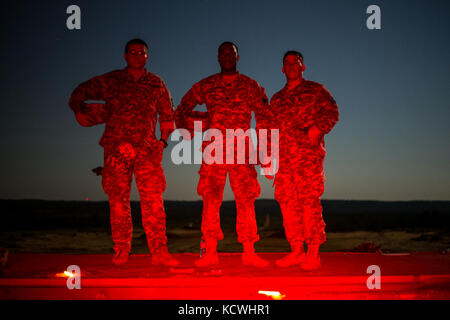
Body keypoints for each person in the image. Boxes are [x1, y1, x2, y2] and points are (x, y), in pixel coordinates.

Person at [68, 39, 179, 267]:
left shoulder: (157, 83)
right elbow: (79, 92)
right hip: (116, 149)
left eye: (142, 52)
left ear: (148, 56)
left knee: (154, 202)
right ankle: (121, 250)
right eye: (133, 52)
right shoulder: (112, 80)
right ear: (125, 55)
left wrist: (163, 142)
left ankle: (159, 251)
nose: (138, 55)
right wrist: (82, 110)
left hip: (147, 150)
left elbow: (168, 116)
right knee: (118, 203)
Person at [175, 42, 270, 268]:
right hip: (214, 149)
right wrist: (198, 124)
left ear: (238, 57)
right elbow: (182, 109)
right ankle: (210, 253)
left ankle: (249, 252)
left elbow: (265, 117)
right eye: (224, 53)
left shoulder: (251, 85)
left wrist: (266, 151)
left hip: (242, 151)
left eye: (232, 53)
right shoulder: (206, 85)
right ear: (218, 58)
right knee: (210, 201)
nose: (228, 57)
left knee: (246, 201)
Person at [266, 51, 339, 270]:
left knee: (309, 206)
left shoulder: (316, 90)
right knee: (288, 208)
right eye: (286, 63)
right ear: (282, 69)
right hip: (284, 163)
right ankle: (296, 251)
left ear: (303, 66)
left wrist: (319, 126)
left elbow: (333, 112)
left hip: (308, 159)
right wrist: (269, 158)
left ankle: (313, 254)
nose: (291, 66)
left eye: (295, 63)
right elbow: (270, 130)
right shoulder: (276, 99)